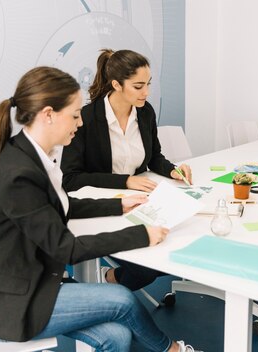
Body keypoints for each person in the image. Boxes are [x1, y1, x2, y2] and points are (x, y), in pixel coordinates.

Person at [0, 66, 198, 352]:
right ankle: (174, 351)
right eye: (73, 115)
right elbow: (67, 250)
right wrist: (141, 235)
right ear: (48, 114)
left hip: (28, 282)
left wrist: (118, 204)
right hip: (3, 304)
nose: (80, 123)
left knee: (116, 337)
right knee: (121, 299)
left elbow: (60, 205)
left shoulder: (32, 155)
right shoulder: (20, 174)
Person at [61, 48, 190, 289]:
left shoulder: (145, 112)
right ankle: (112, 282)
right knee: (148, 265)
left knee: (174, 245)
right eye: (138, 86)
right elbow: (70, 178)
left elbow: (154, 157)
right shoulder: (87, 118)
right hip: (103, 208)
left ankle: (113, 280)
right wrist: (125, 181)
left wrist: (173, 170)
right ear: (117, 85)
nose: (147, 92)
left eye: (148, 84)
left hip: (139, 203)